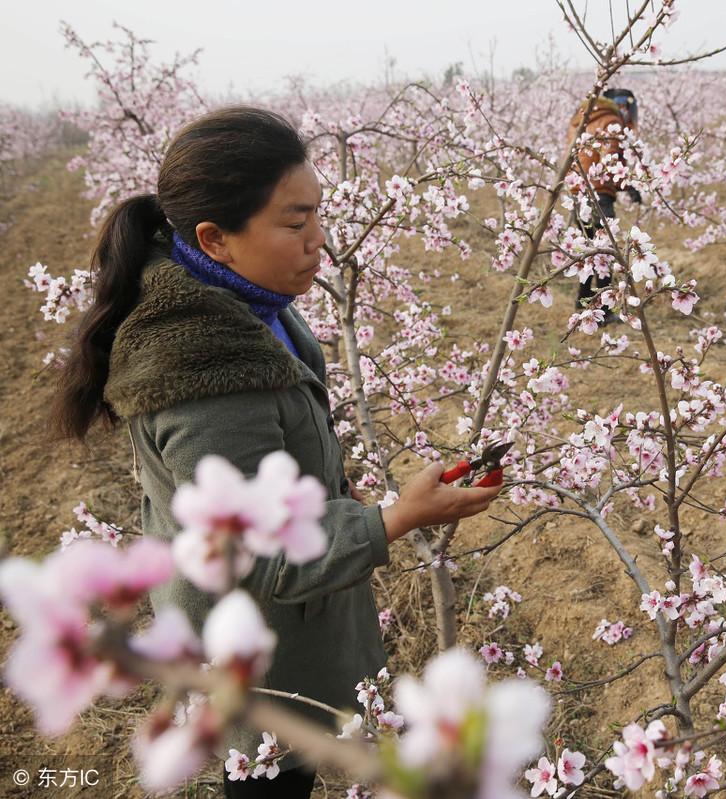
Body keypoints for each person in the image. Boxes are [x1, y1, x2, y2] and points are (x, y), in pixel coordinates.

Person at [49, 107, 503, 799]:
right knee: (268, 781)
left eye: (316, 214)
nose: (319, 240)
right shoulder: (201, 369)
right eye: (295, 224)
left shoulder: (246, 304)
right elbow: (261, 551)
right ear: (214, 238)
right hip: (251, 643)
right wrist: (396, 517)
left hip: (288, 622)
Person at [566, 87, 642, 315]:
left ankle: (583, 302)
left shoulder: (585, 119)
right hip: (599, 193)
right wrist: (627, 184)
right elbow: (611, 161)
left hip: (579, 191)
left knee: (588, 251)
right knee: (604, 252)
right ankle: (604, 311)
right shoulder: (610, 121)